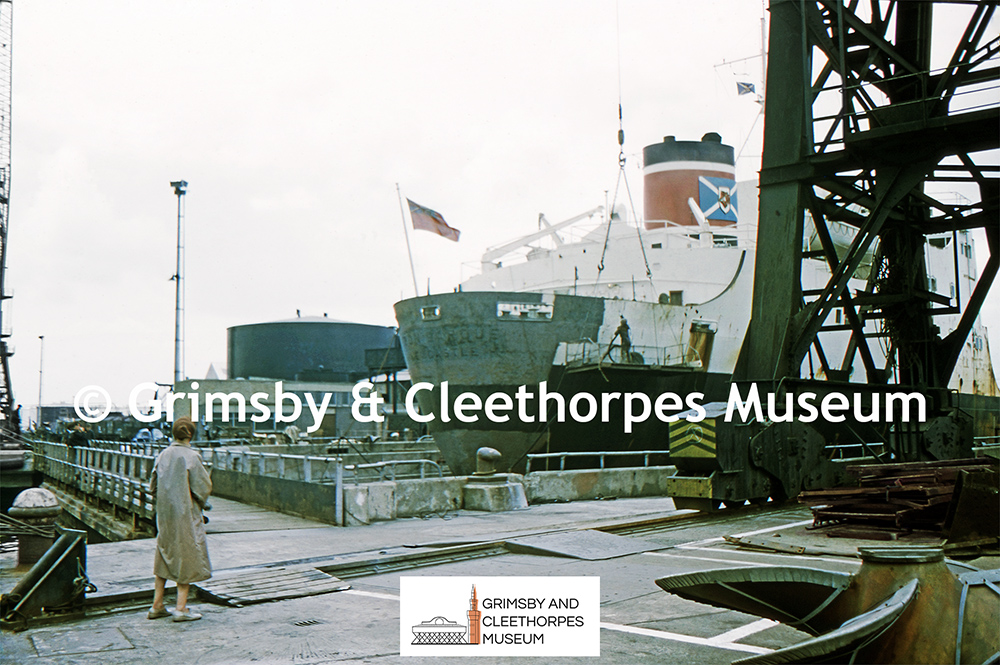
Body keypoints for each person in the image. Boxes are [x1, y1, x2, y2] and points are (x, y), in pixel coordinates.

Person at [148, 416, 212, 622]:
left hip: (165, 514)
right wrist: (202, 502)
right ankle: (181, 608)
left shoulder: (163, 454)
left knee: (164, 553)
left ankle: (157, 605)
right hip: (185, 512)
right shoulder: (192, 456)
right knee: (186, 554)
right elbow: (202, 486)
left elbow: (152, 485)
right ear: (191, 435)